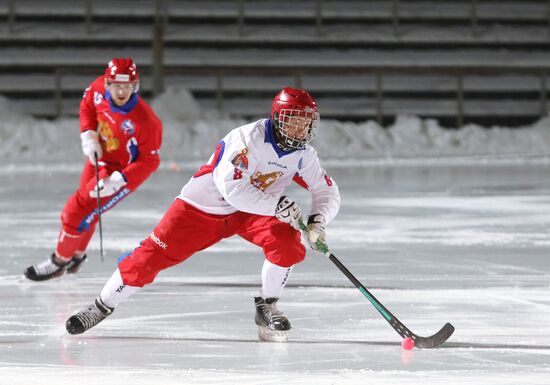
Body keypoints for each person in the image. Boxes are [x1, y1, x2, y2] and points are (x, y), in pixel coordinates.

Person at [65, 87, 340, 342]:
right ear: (279, 118)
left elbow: (327, 191)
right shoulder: (246, 140)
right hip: (202, 209)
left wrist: (318, 221)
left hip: (252, 213)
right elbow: (233, 189)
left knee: (288, 243)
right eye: (295, 119)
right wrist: (277, 205)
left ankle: (267, 305)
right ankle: (102, 305)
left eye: (306, 121)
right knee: (148, 258)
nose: (301, 127)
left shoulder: (303, 154)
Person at [24, 58, 163, 281]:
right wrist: (89, 135)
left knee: (74, 212)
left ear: (135, 86)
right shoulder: (98, 88)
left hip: (122, 174)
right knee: (86, 212)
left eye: (127, 86)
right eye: (117, 85)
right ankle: (76, 255)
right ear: (107, 83)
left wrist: (119, 179)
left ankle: (59, 261)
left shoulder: (147, 121)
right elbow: (87, 106)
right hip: (100, 160)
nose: (121, 91)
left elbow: (150, 161)